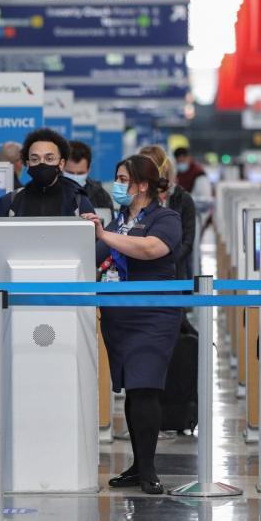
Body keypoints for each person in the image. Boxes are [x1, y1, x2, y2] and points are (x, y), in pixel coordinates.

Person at [81, 155, 182, 495]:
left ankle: (150, 470)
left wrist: (105, 237)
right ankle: (138, 466)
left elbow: (151, 249)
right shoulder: (119, 220)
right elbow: (97, 257)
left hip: (152, 316)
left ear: (143, 184)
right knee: (132, 389)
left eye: (124, 179)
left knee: (146, 385)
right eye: (117, 178)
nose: (118, 185)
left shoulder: (165, 218)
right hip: (118, 316)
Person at [0, 129, 95, 274]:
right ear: (27, 164)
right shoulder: (9, 202)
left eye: (49, 158)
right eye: (35, 159)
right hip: (19, 289)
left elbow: (95, 249)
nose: (42, 164)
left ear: (61, 163)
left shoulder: (78, 203)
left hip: (67, 289)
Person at [141, 145, 196, 280]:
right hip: (143, 272)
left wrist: (163, 258)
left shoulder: (183, 199)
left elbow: (188, 243)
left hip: (175, 273)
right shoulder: (139, 198)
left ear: (162, 168)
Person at [63, 140, 114, 211]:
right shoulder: (49, 192)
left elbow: (108, 220)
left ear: (89, 169)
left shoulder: (100, 195)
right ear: (61, 166)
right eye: (70, 173)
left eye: (80, 173)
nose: (75, 177)